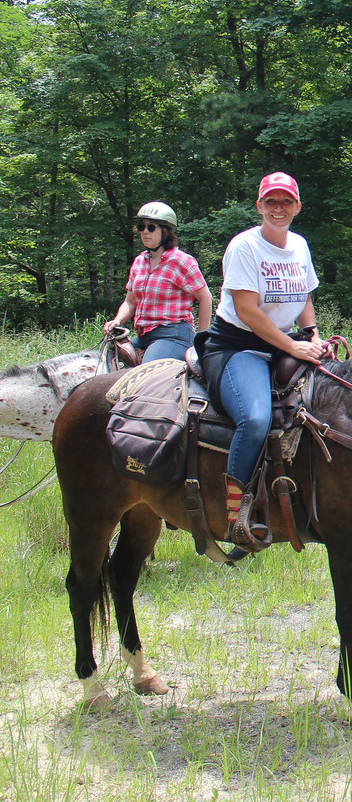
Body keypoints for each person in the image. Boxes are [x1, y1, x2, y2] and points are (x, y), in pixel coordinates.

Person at [196, 172, 329, 543]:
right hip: (239, 347)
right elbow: (248, 311)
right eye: (271, 201)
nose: (278, 208)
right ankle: (235, 509)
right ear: (259, 206)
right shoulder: (244, 247)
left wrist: (313, 334)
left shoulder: (299, 246)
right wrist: (293, 347)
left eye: (286, 201)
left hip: (284, 343)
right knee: (254, 419)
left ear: (297, 207)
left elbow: (304, 298)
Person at [104, 202, 213, 363]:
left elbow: (205, 298)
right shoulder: (139, 262)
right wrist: (117, 321)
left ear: (166, 231)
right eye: (142, 227)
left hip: (174, 335)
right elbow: (130, 302)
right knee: (108, 360)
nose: (145, 232)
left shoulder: (180, 261)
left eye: (151, 227)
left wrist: (202, 339)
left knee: (147, 374)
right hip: (143, 336)